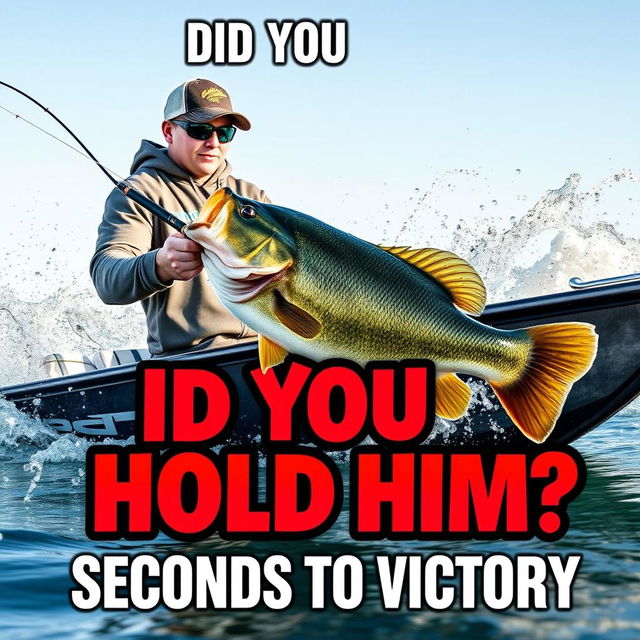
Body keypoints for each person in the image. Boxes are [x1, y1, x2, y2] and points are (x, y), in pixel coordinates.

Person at [90, 79, 270, 356]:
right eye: (200, 130)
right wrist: (160, 264)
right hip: (192, 364)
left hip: (267, 354)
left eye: (224, 133)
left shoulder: (250, 196)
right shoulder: (138, 192)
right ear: (169, 131)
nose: (213, 143)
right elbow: (106, 278)